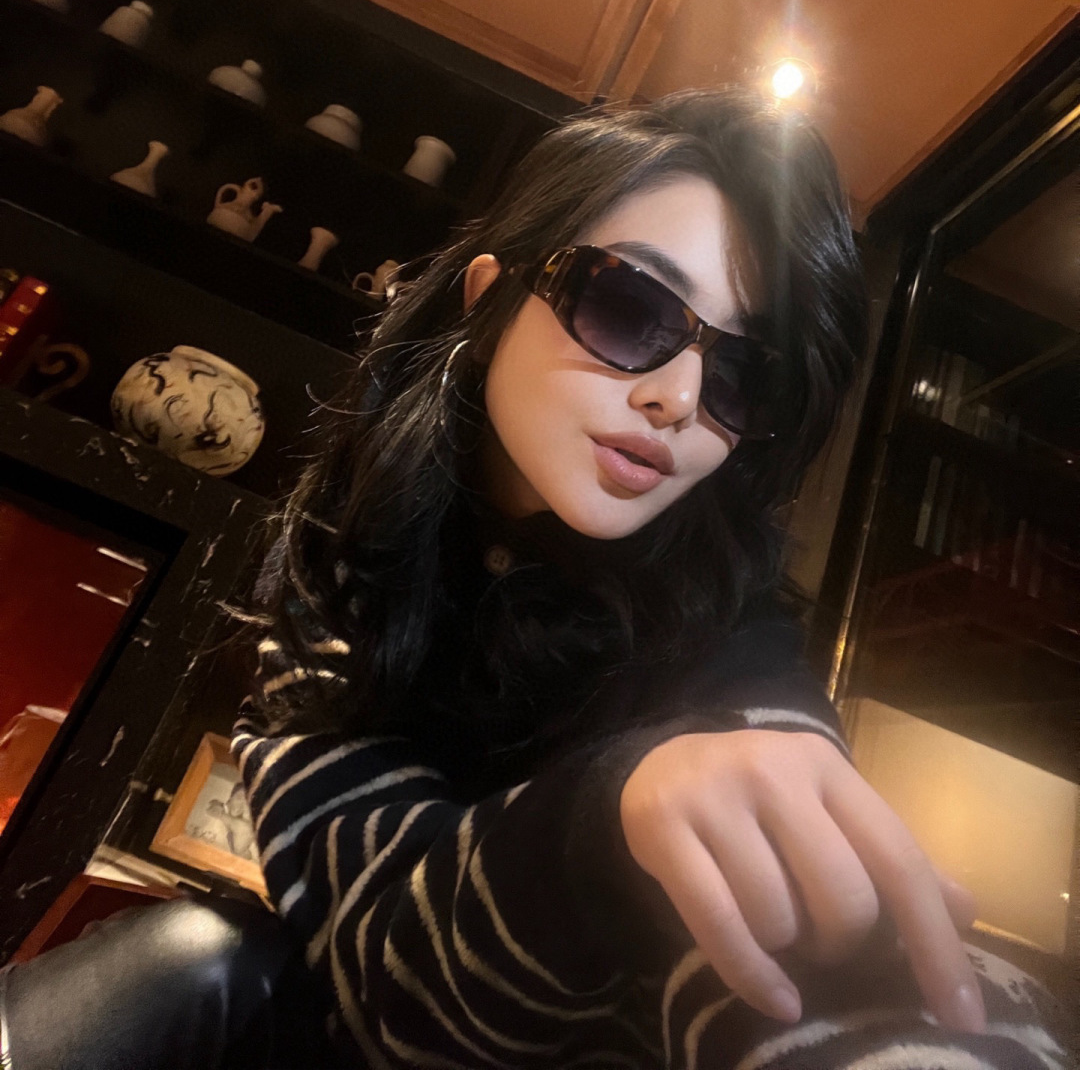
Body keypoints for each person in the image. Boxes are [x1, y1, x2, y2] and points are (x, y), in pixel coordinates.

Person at [0, 91, 1070, 1069]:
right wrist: (601, 829)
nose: (679, 396)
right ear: (489, 301)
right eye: (631, 308)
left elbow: (802, 963)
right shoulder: (338, 580)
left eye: (747, 374)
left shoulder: (729, 650)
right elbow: (386, 976)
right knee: (188, 958)